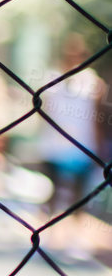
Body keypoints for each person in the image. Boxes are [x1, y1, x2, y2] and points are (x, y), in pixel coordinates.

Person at [38, 34, 105, 258]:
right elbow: (44, 111)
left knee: (79, 195)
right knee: (53, 193)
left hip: (82, 147)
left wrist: (97, 146)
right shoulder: (52, 79)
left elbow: (96, 116)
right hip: (54, 146)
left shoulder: (93, 83)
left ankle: (74, 238)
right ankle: (49, 235)